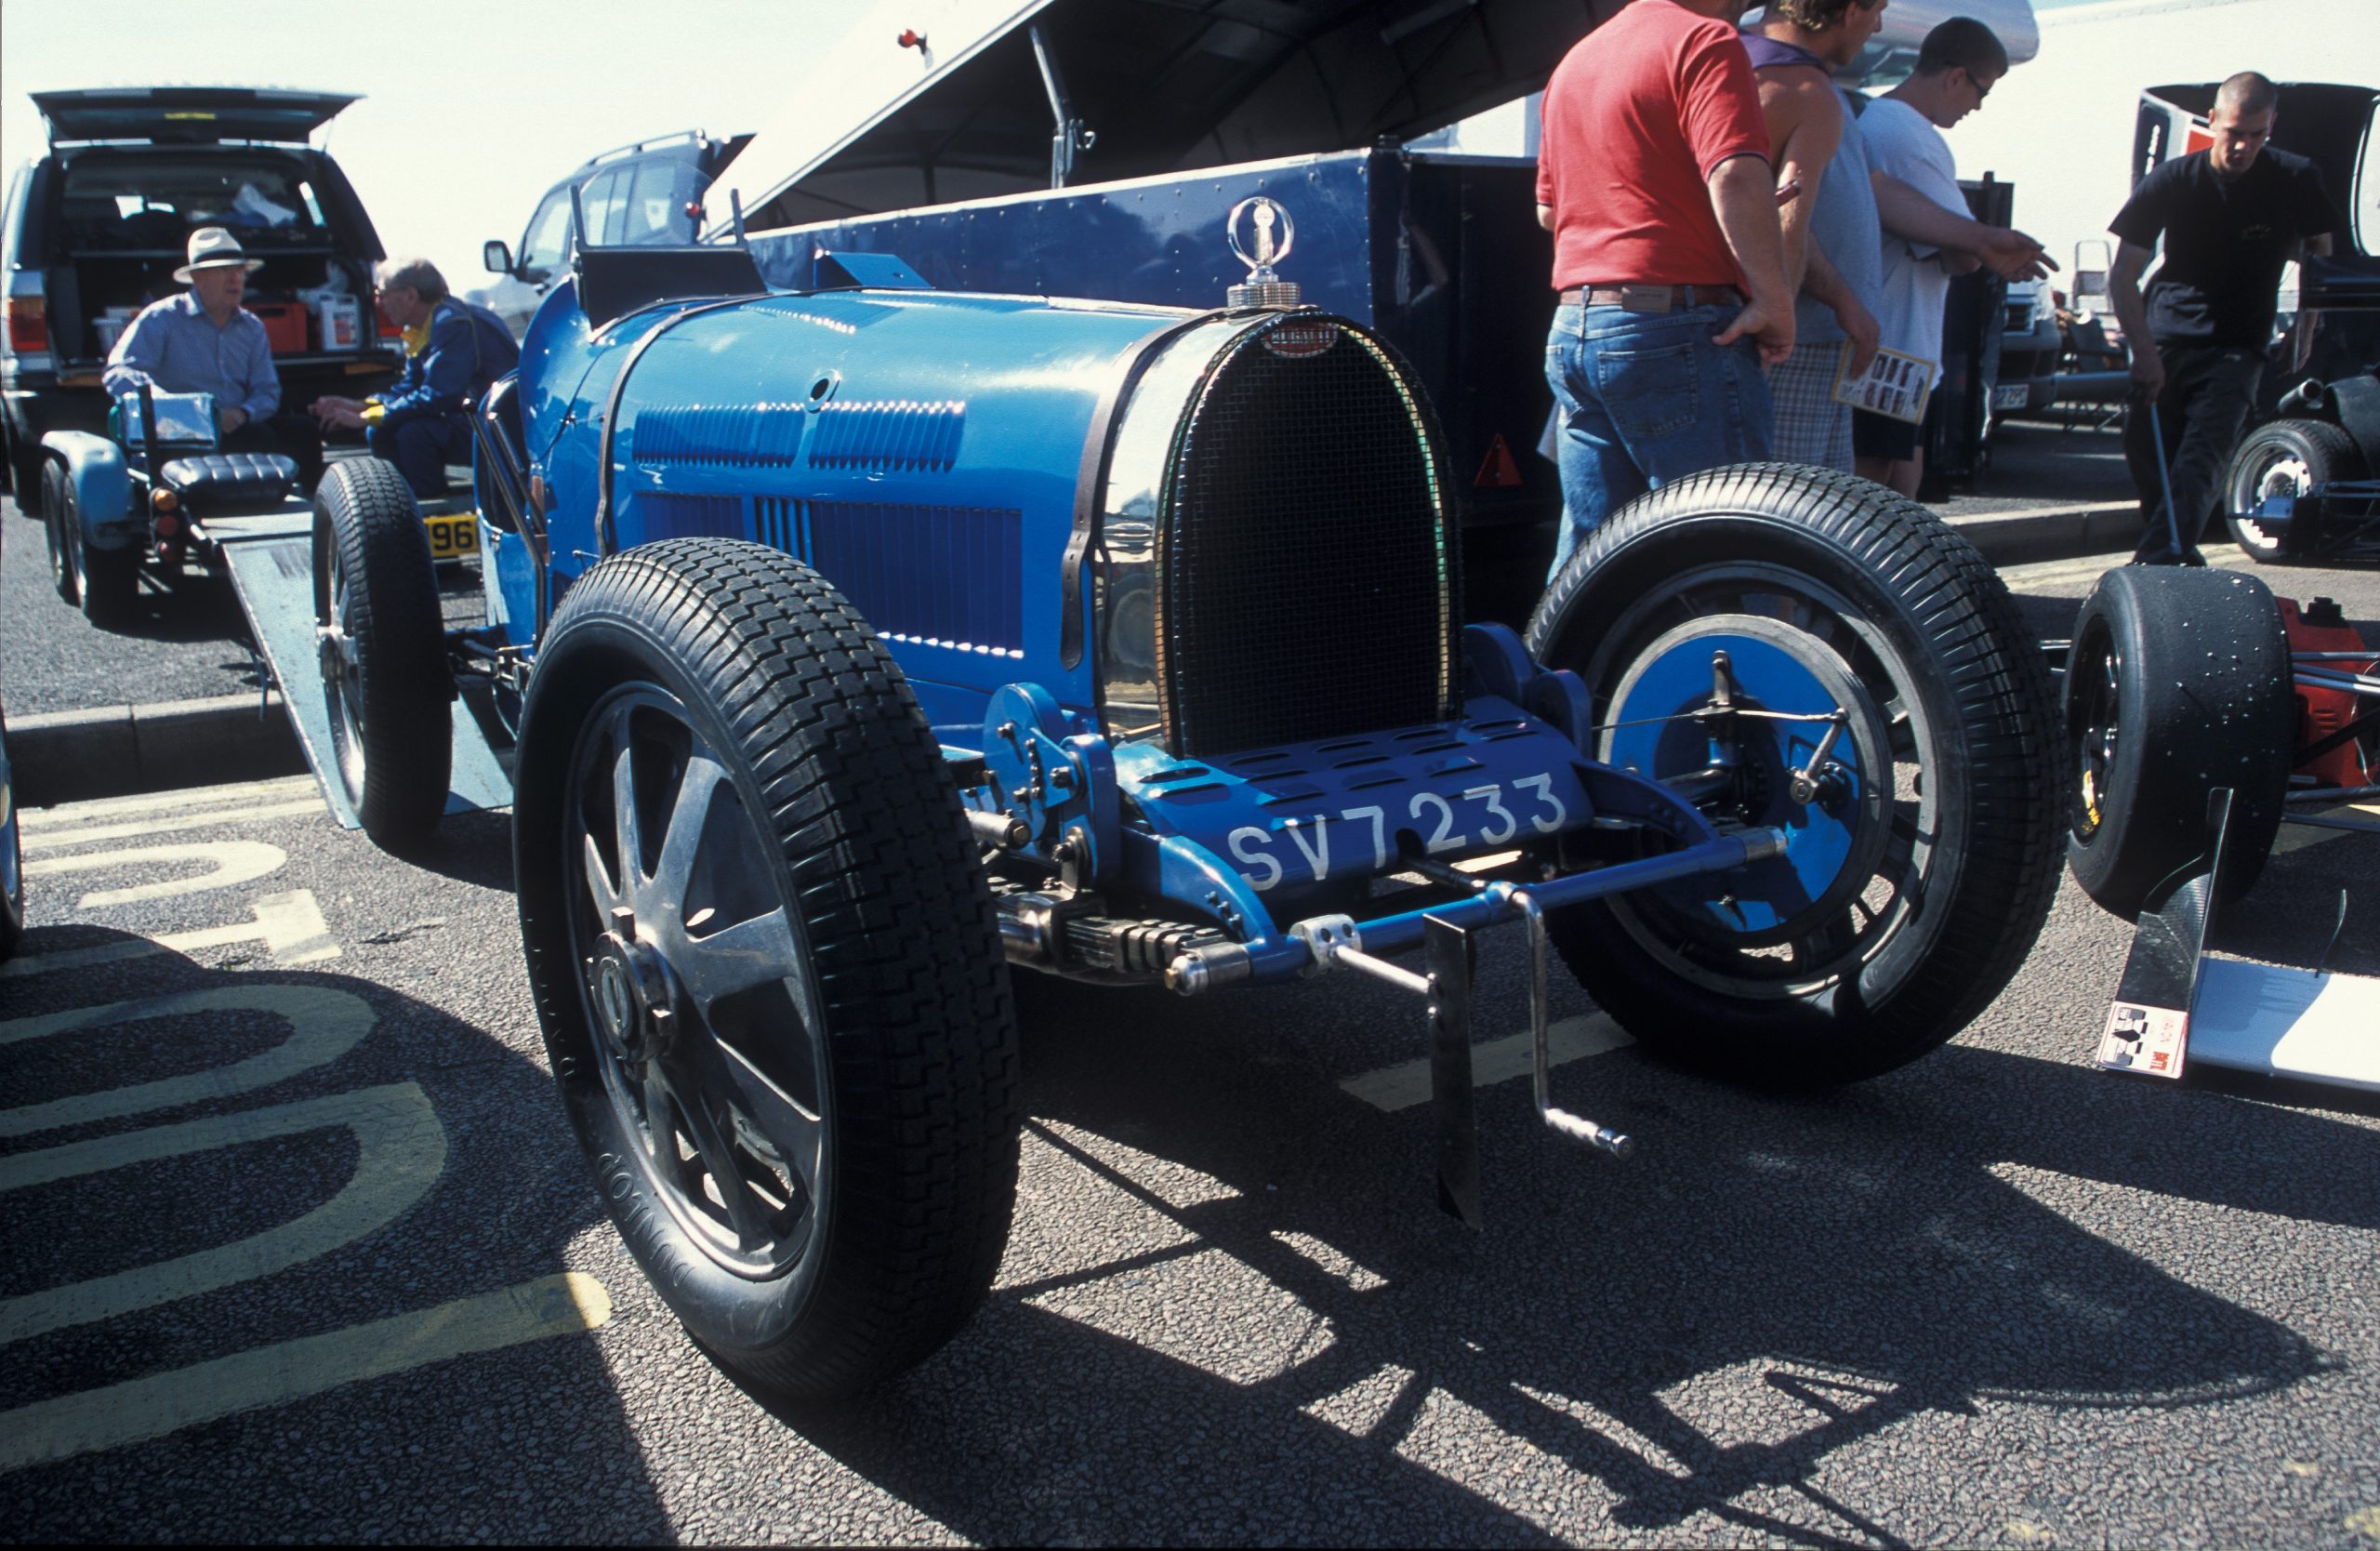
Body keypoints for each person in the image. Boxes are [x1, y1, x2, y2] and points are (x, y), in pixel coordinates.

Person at [1536, 0, 1795, 577]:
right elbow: (1734, 172)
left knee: (1590, 560)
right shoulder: (1706, 41)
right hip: (1672, 325)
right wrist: (1774, 300)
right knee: (1724, 553)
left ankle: (1559, 667)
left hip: (1579, 327)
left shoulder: (1575, 63)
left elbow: (1551, 215)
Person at [2108, 72, 2343, 565]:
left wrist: (2307, 322)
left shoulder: (2295, 177)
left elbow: (2322, 250)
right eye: (2235, 133)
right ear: (2212, 121)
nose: (2243, 146)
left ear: (2271, 126)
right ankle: (2175, 555)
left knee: (2204, 454)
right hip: (2168, 332)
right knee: (2149, 455)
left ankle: (2156, 563)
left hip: (2239, 342)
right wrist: (2144, 352)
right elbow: (2125, 273)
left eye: (2257, 135)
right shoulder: (2173, 180)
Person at [1854, 17, 2053, 497]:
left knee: (1899, 486)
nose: (1978, 106)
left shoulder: (1874, 122)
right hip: (1893, 352)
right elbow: (1965, 259)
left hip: (1892, 349)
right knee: (1873, 496)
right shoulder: (1912, 138)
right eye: (1981, 90)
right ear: (1956, 76)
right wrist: (1981, 242)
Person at [1744, 0, 1891, 472]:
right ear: (1851, 9)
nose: (1879, 25)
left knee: (1821, 521)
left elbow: (1864, 194)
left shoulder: (1814, 81)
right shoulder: (1765, 74)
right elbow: (1772, 215)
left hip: (1822, 339)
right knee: (1780, 515)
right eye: (1878, 9)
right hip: (1788, 342)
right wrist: (1843, 300)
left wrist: (1980, 238)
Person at [102, 226, 325, 491]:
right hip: (180, 433)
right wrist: (175, 409)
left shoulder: (252, 327)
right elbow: (118, 372)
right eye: (223, 270)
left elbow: (267, 391)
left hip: (237, 425)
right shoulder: (161, 317)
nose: (235, 279)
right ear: (198, 278)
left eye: (240, 271)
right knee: (258, 438)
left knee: (303, 431)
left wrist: (243, 413)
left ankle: (315, 519)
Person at [312, 258, 519, 497]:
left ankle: (430, 508)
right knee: (382, 430)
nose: (378, 302)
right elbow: (410, 388)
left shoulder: (453, 323)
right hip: (476, 421)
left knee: (415, 434)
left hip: (500, 428)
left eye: (382, 293)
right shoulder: (427, 325)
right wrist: (361, 406)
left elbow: (438, 395)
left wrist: (368, 418)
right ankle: (401, 505)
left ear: (410, 295)